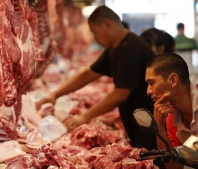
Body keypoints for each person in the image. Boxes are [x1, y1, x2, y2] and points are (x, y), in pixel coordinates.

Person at [36, 5, 163, 164]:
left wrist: (85, 116)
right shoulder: (116, 48)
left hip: (150, 126)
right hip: (140, 123)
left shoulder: (130, 48)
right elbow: (87, 74)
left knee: (150, 164)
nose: (95, 39)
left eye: (95, 32)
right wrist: (54, 95)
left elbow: (120, 93)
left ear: (106, 25)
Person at [145, 53, 198, 169]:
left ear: (173, 80)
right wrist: (159, 127)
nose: (148, 91)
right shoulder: (171, 118)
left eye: (151, 83)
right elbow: (174, 167)